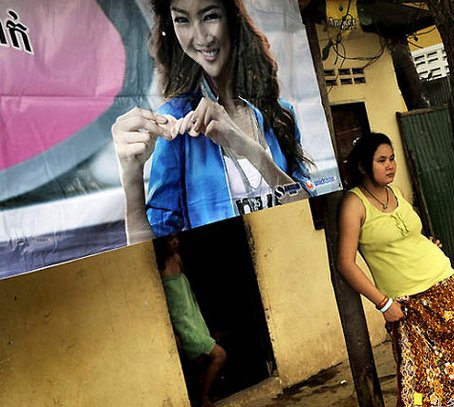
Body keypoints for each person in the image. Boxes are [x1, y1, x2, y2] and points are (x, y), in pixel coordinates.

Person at [112, 0, 314, 244]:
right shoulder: (176, 124)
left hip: (296, 259)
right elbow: (157, 250)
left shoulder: (279, 113)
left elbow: (308, 207)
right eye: (182, 20)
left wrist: (253, 152)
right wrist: (131, 177)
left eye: (209, 16)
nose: (200, 37)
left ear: (232, 19)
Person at [336, 132, 454, 407]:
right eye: (381, 160)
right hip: (408, 305)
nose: (390, 165)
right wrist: (384, 304)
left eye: (391, 159)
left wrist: (426, 243)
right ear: (363, 166)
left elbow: (408, 236)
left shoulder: (395, 192)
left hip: (443, 287)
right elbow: (345, 263)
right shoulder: (355, 204)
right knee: (422, 388)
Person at [155, 233, 227, 407]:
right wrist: (173, 331)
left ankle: (204, 395)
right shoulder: (158, 268)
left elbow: (186, 292)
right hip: (182, 326)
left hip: (193, 318)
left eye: (176, 237)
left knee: (201, 364)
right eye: (170, 239)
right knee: (220, 355)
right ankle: (204, 398)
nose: (175, 242)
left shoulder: (178, 259)